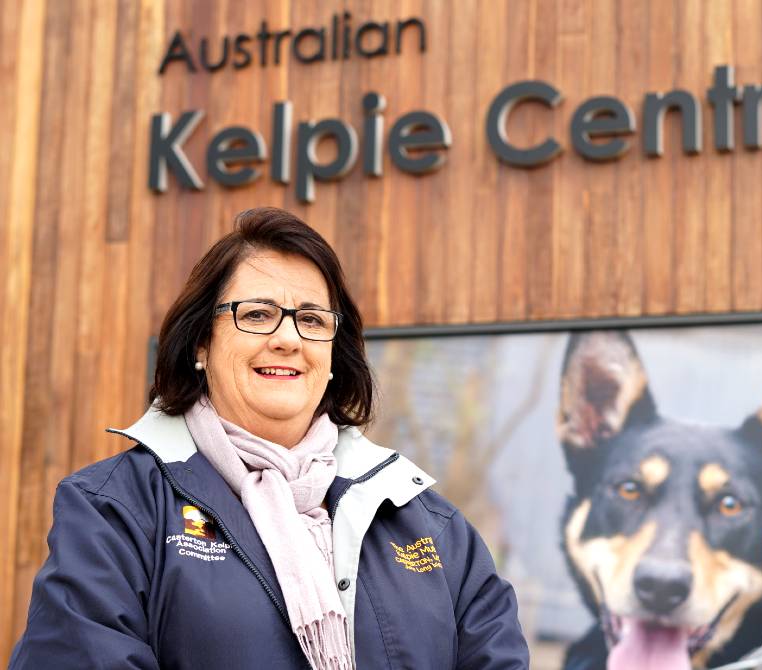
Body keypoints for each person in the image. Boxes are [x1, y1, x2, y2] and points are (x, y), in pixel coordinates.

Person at [10, 207, 530, 669]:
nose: (287, 338)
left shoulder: (436, 531)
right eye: (257, 314)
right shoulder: (116, 512)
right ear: (201, 344)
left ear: (331, 356)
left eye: (310, 318)